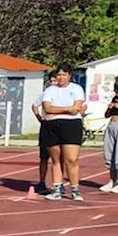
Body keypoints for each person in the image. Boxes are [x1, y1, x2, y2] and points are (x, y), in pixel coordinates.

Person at [40, 65, 87, 201]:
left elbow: (77, 108)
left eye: (64, 75)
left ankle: (75, 190)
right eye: (59, 75)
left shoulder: (77, 89)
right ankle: (56, 189)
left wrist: (60, 109)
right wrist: (67, 108)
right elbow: (47, 108)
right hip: (52, 126)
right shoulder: (49, 90)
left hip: (71, 125)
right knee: (56, 159)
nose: (61, 78)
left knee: (71, 159)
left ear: (69, 76)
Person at [31, 71, 59, 194]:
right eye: (51, 81)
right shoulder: (45, 93)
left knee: (58, 157)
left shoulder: (63, 93)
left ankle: (58, 183)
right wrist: (40, 119)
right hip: (46, 126)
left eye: (55, 81)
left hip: (59, 125)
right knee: (44, 157)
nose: (53, 83)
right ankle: (42, 182)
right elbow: (34, 106)